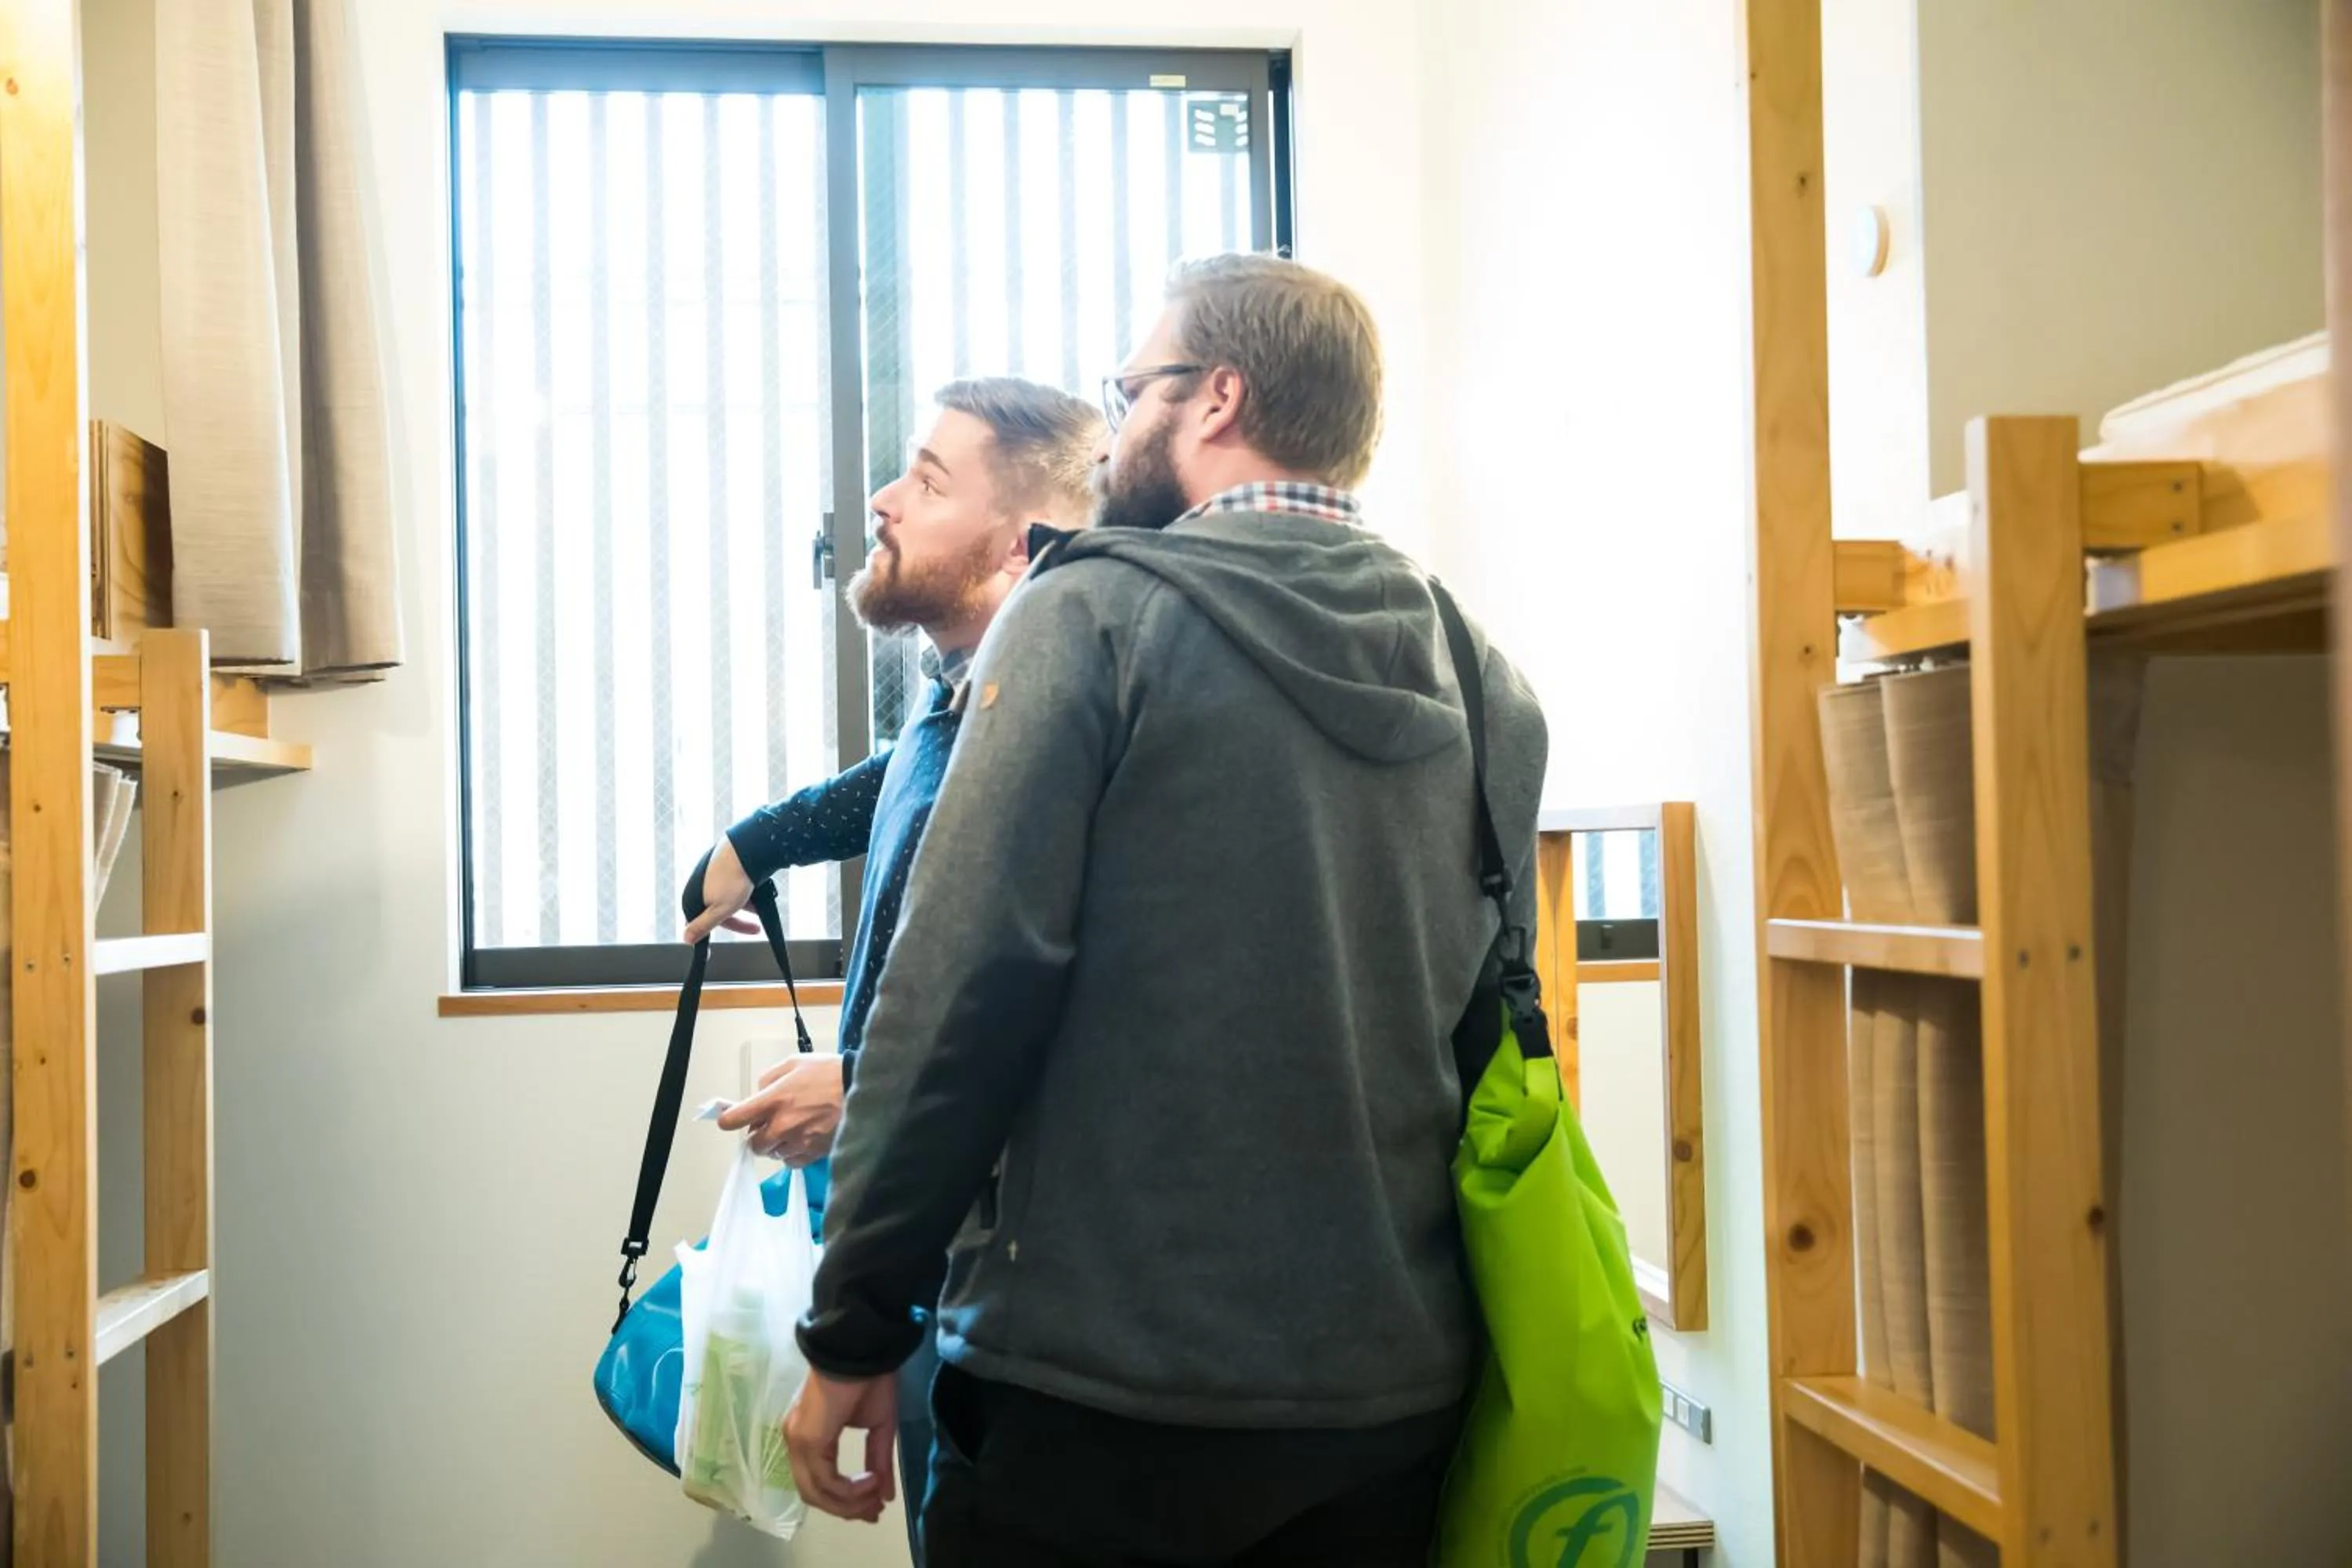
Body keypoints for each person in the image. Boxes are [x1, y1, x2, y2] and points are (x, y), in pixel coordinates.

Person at [783, 253, 1550, 1566]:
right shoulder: (1484, 679)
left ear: (1216, 399)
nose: (1118, 417)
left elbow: (959, 994)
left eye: (1133, 385)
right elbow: (1498, 1032)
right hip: (1391, 1408)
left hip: (1097, 1404)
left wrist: (854, 1327)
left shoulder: (1088, 619)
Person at [682, 376, 1102, 1561]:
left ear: (1016, 545)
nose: (881, 501)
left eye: (927, 480)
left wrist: (859, 1079)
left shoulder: (1060, 725)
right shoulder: (961, 697)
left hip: (1018, 1298)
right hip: (933, 1244)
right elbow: (899, 780)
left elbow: (1046, 1000)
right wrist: (750, 847)